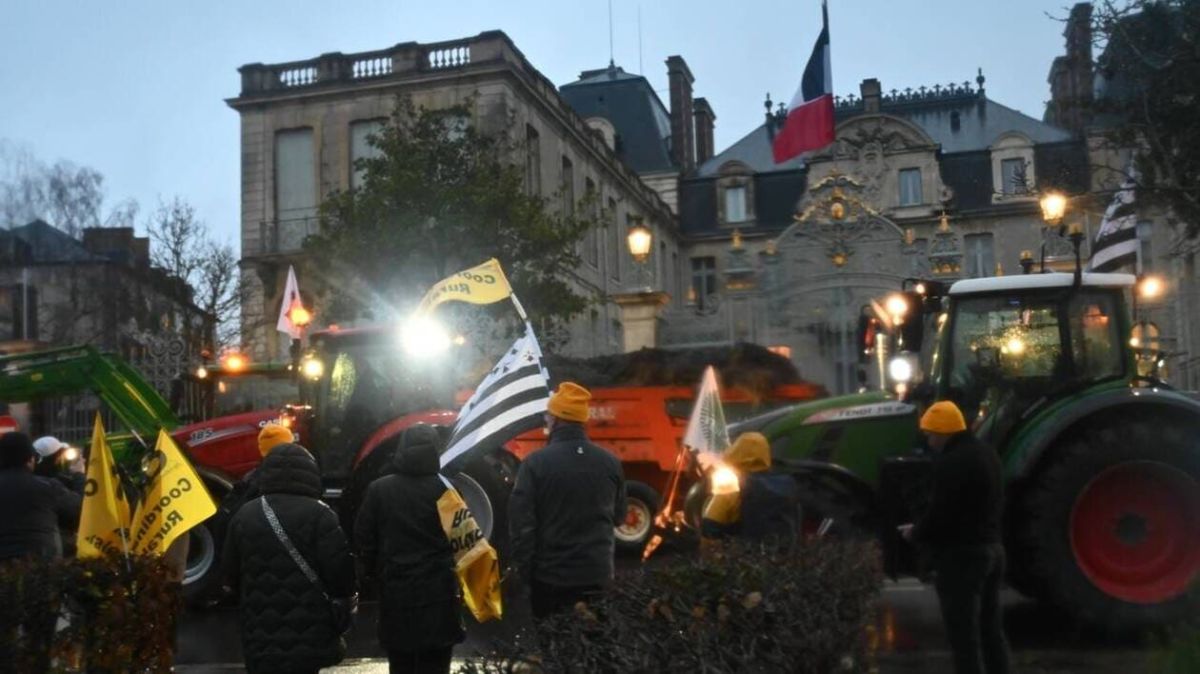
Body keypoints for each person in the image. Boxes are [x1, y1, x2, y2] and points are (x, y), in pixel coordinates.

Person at [222, 443, 355, 674]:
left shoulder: (245, 515)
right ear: (310, 473)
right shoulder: (321, 515)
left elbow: (228, 576)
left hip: (260, 635)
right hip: (309, 633)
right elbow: (340, 575)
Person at [900, 401, 1010, 674]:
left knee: (964, 636)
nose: (928, 439)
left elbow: (941, 513)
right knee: (990, 629)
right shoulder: (987, 453)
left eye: (930, 433)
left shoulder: (952, 463)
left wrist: (915, 532)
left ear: (943, 432)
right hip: (993, 550)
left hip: (963, 557)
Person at [509, 382, 626, 618]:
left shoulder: (534, 464)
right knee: (596, 648)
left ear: (556, 419)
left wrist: (524, 573)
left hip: (551, 580)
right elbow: (619, 516)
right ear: (582, 420)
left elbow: (522, 527)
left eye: (548, 415)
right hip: (598, 576)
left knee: (556, 646)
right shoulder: (610, 463)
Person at [355, 424, 465, 674]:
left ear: (402, 448)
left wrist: (372, 575)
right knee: (435, 665)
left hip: (397, 592)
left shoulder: (380, 489)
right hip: (439, 594)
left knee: (401, 664)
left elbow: (364, 540)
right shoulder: (446, 491)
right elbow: (463, 542)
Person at [700, 431, 800, 545]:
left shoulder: (732, 485)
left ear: (736, 451)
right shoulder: (787, 483)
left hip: (745, 558)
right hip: (782, 556)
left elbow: (711, 526)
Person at [0, 432, 82, 562]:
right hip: (41, 569)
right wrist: (79, 476)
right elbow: (82, 510)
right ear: (31, 459)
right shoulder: (47, 486)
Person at [32, 436, 86, 557]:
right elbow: (81, 506)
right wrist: (79, 475)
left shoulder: (31, 480)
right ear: (55, 459)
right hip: (58, 544)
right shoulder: (50, 486)